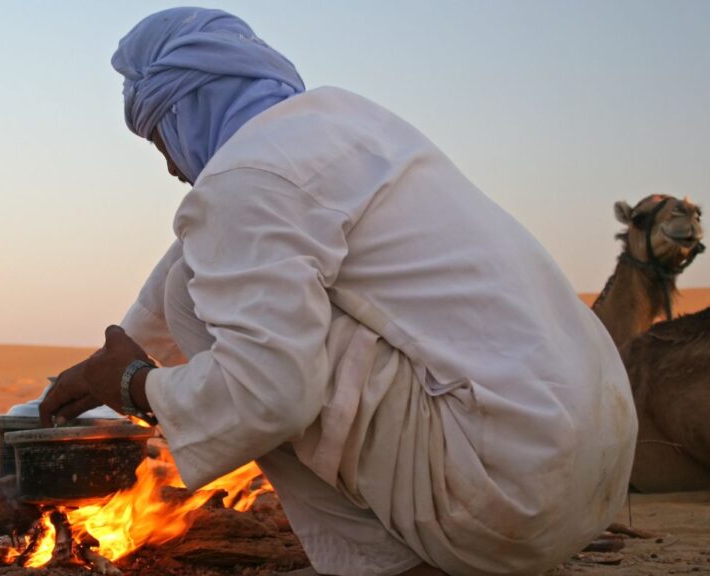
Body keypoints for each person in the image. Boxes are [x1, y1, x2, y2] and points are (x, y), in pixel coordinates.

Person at [39, 7, 637, 576]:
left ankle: (388, 564)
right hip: (590, 473)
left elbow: (266, 393)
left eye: (160, 139)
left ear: (187, 111)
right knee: (194, 283)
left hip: (502, 503)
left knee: (201, 306)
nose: (171, 167)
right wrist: (97, 375)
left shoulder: (248, 180)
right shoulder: (342, 124)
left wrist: (130, 385)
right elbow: (198, 257)